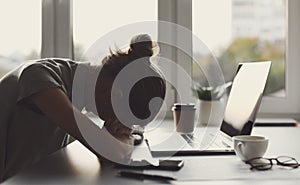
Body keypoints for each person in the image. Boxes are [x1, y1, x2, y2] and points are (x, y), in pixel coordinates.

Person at [0, 34, 166, 182]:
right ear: (115, 94)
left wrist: (124, 136)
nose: (112, 123)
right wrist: (128, 137)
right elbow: (111, 153)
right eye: (118, 118)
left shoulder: (74, 90)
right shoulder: (40, 78)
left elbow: (111, 148)